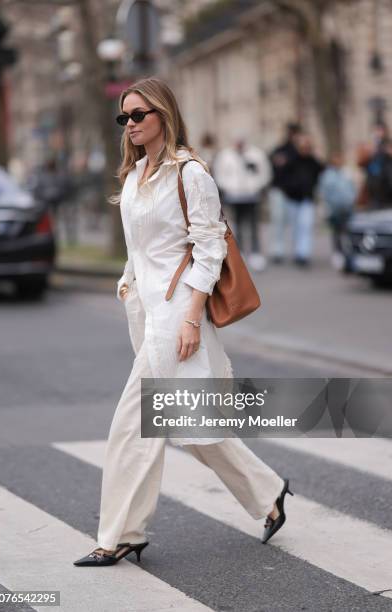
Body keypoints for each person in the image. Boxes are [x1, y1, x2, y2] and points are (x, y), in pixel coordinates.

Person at [73, 77, 293, 567]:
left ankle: (121, 533)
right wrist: (128, 282)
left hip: (176, 315)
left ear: (163, 116)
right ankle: (269, 493)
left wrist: (192, 317)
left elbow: (209, 247)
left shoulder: (189, 172)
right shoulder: (133, 177)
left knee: (134, 425)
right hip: (145, 312)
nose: (129, 124)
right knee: (193, 423)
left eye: (138, 115)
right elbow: (140, 248)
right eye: (123, 117)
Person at [213, 136, 271, 271]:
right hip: (234, 196)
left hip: (252, 196)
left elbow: (265, 173)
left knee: (253, 224)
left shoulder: (256, 154)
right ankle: (240, 253)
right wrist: (229, 188)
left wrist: (256, 186)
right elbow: (220, 174)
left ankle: (256, 252)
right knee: (235, 225)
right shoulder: (225, 155)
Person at [284, 132, 324, 266]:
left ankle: (304, 253)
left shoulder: (313, 161)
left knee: (306, 225)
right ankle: (297, 251)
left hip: (307, 198)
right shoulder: (291, 160)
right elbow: (284, 177)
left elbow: (321, 171)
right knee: (296, 227)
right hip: (293, 199)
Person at [268, 123, 302, 263]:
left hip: (295, 192)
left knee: (296, 223)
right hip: (280, 190)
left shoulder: (300, 152)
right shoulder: (280, 150)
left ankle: (298, 251)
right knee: (278, 220)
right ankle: (278, 250)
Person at [318, 152, 357, 268]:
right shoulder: (327, 175)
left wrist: (352, 200)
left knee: (348, 232)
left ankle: (349, 253)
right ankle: (338, 252)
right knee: (337, 232)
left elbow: (352, 188)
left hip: (347, 207)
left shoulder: (346, 173)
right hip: (334, 209)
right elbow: (324, 192)